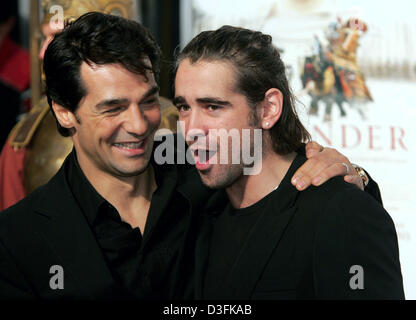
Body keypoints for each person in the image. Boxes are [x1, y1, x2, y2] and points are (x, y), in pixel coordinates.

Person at [0, 13, 381, 300]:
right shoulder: (17, 241)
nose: (137, 124)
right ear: (65, 111)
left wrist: (355, 178)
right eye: (113, 108)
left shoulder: (205, 177)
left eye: (148, 101)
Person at [173, 25, 404, 299]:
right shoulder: (194, 208)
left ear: (268, 109)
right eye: (184, 108)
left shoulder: (339, 212)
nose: (191, 129)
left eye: (213, 107)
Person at [0, 0, 179, 211]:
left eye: (61, 39)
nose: (42, 53)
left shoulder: (174, 124)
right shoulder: (23, 138)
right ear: (63, 113)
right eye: (46, 38)